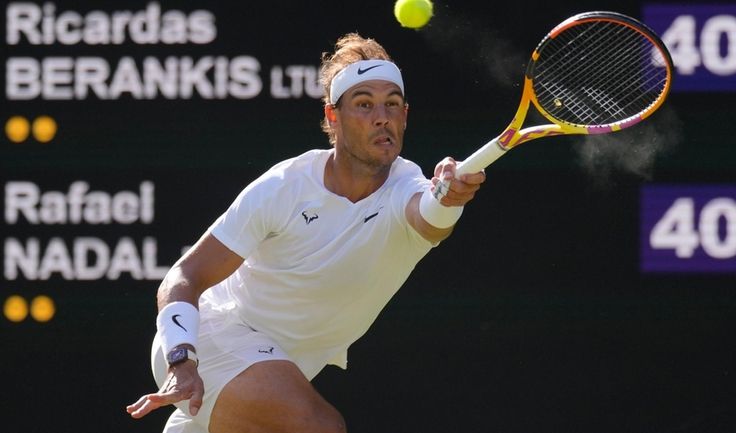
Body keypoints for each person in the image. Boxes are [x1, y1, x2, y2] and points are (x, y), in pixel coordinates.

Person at [126, 32, 486, 433]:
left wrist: (451, 197)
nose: (381, 116)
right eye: (364, 104)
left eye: (392, 105)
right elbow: (184, 276)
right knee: (320, 427)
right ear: (334, 117)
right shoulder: (284, 186)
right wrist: (182, 358)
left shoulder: (408, 188)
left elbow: (430, 218)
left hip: (277, 366)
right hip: (213, 337)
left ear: (404, 116)